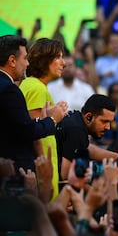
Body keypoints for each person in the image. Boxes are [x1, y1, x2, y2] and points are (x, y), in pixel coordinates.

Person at [0, 35, 67, 172]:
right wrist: (53, 119)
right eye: (58, 57)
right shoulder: (31, 88)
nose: (27, 63)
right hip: (23, 170)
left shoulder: (25, 85)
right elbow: (31, 134)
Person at [19, 37, 67, 200]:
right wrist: (44, 176)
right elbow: (36, 133)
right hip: (42, 170)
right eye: (58, 57)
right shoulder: (37, 88)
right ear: (44, 60)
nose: (64, 63)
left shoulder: (31, 85)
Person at [56, 93, 118, 180]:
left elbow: (87, 148)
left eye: (110, 122)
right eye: (104, 121)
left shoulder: (77, 120)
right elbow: (66, 176)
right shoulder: (76, 129)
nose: (108, 127)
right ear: (89, 117)